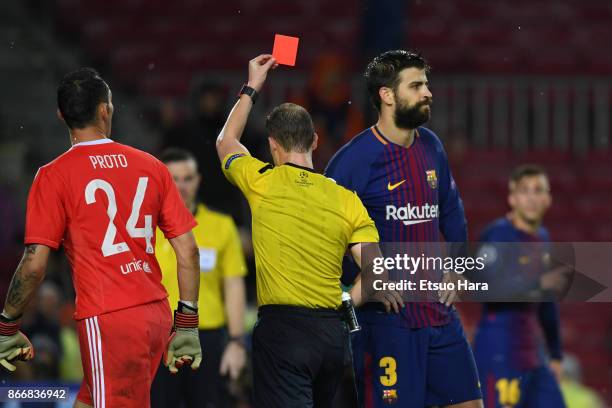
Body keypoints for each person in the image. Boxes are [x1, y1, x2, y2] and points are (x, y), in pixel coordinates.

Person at [0, 68, 202, 408]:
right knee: (91, 399)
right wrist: (187, 323)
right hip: (155, 315)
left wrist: (7, 324)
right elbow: (189, 252)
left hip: (109, 319)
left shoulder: (53, 176)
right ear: (105, 110)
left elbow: (34, 265)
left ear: (61, 116)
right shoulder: (151, 166)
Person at [216, 54, 400, 408]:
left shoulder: (262, 181)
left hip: (283, 333)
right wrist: (344, 303)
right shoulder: (346, 199)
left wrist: (252, 85)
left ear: (272, 147)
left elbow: (226, 141)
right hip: (332, 335)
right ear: (315, 142)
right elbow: (376, 275)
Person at [325, 50, 483, 408]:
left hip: (439, 315)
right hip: (386, 323)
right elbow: (322, 237)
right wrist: (349, 296)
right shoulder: (352, 162)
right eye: (416, 85)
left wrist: (458, 271)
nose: (428, 92)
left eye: (426, 84)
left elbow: (453, 215)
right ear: (387, 95)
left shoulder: (432, 147)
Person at [151, 147, 248, 408]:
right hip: (157, 338)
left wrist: (237, 342)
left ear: (198, 181)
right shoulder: (145, 228)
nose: (181, 186)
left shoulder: (221, 226)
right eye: (173, 179)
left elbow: (233, 285)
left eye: (187, 178)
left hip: (207, 337)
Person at [474, 165, 566, 408]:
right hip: (500, 351)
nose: (532, 198)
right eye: (525, 191)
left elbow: (546, 302)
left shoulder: (543, 238)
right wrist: (537, 282)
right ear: (511, 198)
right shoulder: (497, 236)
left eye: (538, 190)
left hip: (533, 355)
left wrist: (555, 353)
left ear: (548, 199)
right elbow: (489, 289)